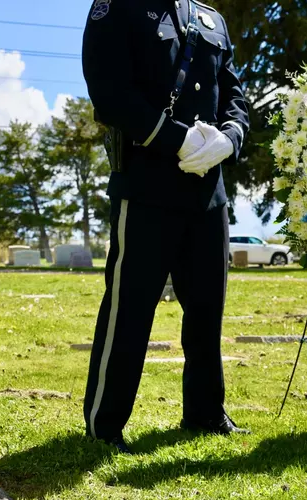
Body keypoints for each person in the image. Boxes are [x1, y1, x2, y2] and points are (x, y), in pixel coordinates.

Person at [80, 0, 250, 453]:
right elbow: (109, 91)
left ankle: (205, 413)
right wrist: (178, 138)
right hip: (148, 188)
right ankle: (105, 422)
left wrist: (227, 140)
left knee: (207, 311)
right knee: (130, 309)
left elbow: (235, 93)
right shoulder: (117, 7)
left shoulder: (212, 19)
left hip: (207, 195)